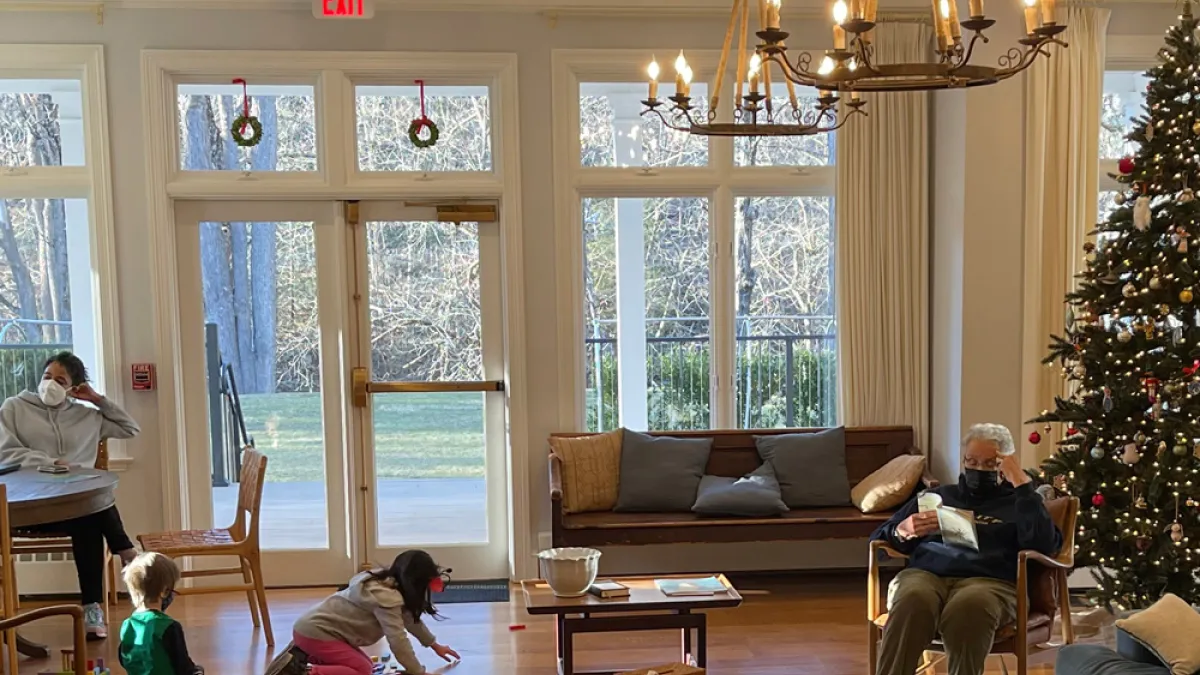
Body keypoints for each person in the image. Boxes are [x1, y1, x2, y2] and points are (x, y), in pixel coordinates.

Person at [871, 423, 1062, 675]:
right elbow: (880, 540)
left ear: (1005, 464)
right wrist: (902, 530)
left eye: (989, 463)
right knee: (912, 599)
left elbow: (1045, 545)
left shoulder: (1022, 502)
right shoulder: (939, 496)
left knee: (970, 606)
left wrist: (1021, 483)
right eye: (971, 461)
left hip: (991, 582)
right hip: (926, 575)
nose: (977, 469)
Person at [0, 351, 141, 638]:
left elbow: (130, 428)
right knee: (93, 506)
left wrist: (97, 400)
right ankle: (128, 553)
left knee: (88, 513)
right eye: (47, 376)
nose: (50, 383)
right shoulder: (15, 408)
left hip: (75, 510)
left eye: (60, 380)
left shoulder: (87, 416)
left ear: (73, 388)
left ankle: (92, 608)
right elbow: (4, 452)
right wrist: (49, 462)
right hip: (28, 508)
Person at [266, 550, 461, 675]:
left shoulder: (386, 584)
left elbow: (411, 621)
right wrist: (417, 671)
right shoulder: (387, 600)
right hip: (317, 634)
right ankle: (305, 671)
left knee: (365, 665)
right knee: (363, 670)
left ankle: (307, 657)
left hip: (311, 630)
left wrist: (434, 645)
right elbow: (398, 640)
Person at [119, 552, 204, 675]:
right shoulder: (168, 626)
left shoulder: (127, 625)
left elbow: (124, 659)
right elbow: (182, 665)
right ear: (164, 592)